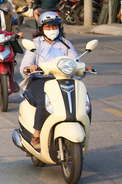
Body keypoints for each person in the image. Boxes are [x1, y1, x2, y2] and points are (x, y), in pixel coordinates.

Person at [20, 11, 93, 150]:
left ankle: (83, 130)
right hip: (41, 80)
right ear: (42, 28)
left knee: (84, 101)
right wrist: (29, 68)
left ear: (60, 28)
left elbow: (75, 61)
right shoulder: (35, 44)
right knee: (44, 100)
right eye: (48, 27)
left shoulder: (65, 44)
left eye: (54, 27)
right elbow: (24, 66)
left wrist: (83, 67)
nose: (52, 30)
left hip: (64, 80)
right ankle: (37, 134)